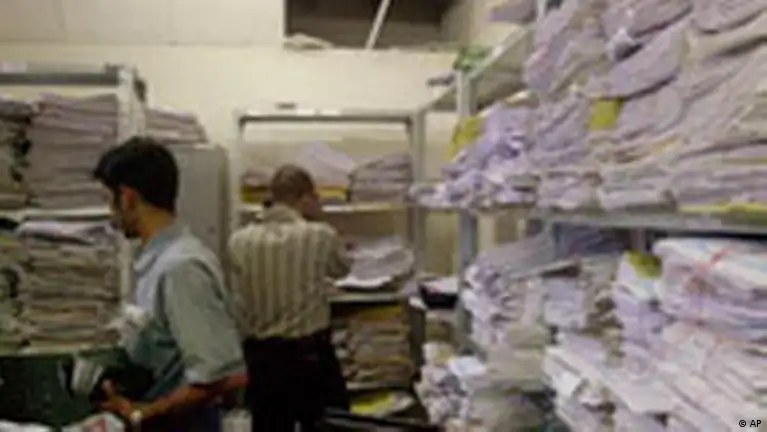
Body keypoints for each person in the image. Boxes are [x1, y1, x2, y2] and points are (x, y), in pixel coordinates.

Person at [92, 137, 247, 431]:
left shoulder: (180, 268)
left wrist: (141, 414)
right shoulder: (156, 261)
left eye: (110, 201)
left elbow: (216, 377)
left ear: (127, 198)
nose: (111, 214)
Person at [229, 164, 351, 432]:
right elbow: (342, 269)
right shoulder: (319, 235)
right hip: (310, 357)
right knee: (330, 425)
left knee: (269, 426)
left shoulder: (238, 240)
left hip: (262, 359)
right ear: (304, 198)